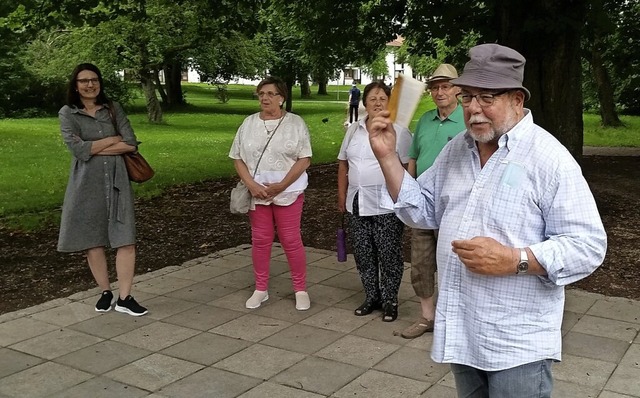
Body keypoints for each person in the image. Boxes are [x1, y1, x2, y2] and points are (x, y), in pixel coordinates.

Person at [367, 44, 607, 397]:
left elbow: (588, 246)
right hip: (463, 328)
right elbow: (423, 210)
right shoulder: (457, 150)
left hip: (516, 343)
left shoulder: (549, 159)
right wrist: (388, 157)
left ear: (517, 100)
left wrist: (515, 259)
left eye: (488, 97)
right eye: (468, 97)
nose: (474, 109)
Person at [58, 63, 148, 316]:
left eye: (94, 79)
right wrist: (110, 140)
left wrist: (93, 146)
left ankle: (125, 297)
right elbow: (78, 150)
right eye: (84, 81)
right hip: (87, 183)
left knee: (125, 236)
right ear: (75, 85)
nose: (90, 85)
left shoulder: (112, 109)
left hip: (118, 181)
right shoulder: (68, 113)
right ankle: (105, 291)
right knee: (92, 238)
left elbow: (130, 143)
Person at [229, 76, 313, 311]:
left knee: (291, 239)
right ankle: (260, 289)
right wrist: (252, 185)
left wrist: (282, 185)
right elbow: (237, 157)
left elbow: (304, 158)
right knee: (260, 240)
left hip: (289, 192)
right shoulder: (248, 124)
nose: (265, 98)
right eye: (261, 93)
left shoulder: (296, 123)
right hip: (258, 193)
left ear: (281, 98)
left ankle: (300, 289)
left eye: (270, 93)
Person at [337, 81, 412, 322]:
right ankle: (372, 296)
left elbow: (409, 167)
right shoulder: (354, 130)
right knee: (363, 252)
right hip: (356, 201)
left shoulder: (399, 132)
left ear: (388, 102)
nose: (378, 103)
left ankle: (390, 300)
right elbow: (343, 164)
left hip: (386, 202)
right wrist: (342, 195)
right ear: (365, 103)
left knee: (388, 253)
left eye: (382, 98)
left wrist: (404, 197)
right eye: (372, 99)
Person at [401, 64, 465, 339]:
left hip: (455, 203)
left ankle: (456, 320)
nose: (440, 92)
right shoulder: (425, 120)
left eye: (446, 86)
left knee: (455, 261)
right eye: (435, 87)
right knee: (421, 259)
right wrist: (409, 192)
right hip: (424, 201)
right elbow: (413, 157)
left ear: (458, 89)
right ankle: (427, 317)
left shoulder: (469, 118)